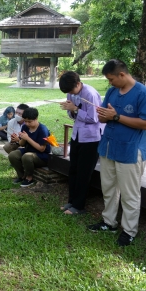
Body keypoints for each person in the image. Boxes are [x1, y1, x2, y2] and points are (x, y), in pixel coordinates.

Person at [87, 59, 146, 247]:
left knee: (130, 194)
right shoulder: (112, 91)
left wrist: (116, 116)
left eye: (111, 79)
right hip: (108, 147)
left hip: (130, 150)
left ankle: (129, 231)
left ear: (122, 75)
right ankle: (109, 222)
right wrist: (103, 115)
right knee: (108, 188)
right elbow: (104, 116)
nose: (110, 83)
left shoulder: (143, 93)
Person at [58, 71, 104, 215]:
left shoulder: (90, 94)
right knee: (73, 169)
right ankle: (71, 201)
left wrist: (76, 109)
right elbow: (72, 115)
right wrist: (70, 110)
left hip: (91, 138)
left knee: (84, 172)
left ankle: (79, 206)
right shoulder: (71, 93)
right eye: (68, 92)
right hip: (77, 135)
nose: (70, 94)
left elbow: (95, 118)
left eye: (72, 90)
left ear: (78, 84)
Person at [8, 107, 51, 188]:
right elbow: (22, 144)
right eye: (25, 121)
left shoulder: (42, 129)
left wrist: (27, 138)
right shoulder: (25, 127)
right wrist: (20, 139)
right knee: (13, 155)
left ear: (36, 119)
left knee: (27, 157)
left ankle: (29, 178)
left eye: (29, 122)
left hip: (41, 155)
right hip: (28, 150)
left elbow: (42, 148)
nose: (27, 124)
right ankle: (21, 176)